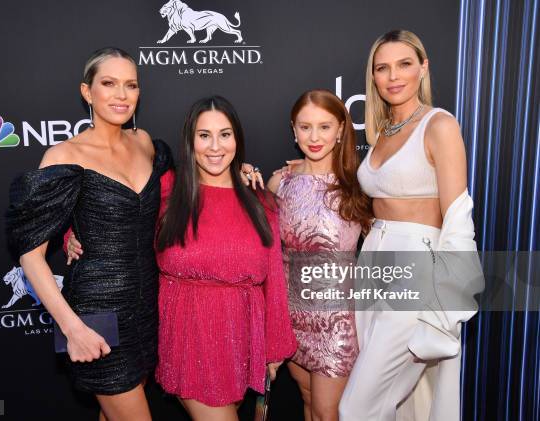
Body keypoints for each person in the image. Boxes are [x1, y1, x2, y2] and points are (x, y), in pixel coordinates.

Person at [6, 47, 173, 421]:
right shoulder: (65, 155)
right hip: (96, 316)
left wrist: (239, 170)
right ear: (87, 92)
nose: (121, 94)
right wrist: (72, 329)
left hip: (147, 308)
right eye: (109, 84)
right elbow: (30, 256)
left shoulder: (145, 142)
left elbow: (178, 193)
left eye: (130, 85)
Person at [338, 30, 482, 421]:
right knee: (399, 404)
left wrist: (449, 304)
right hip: (374, 263)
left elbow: (457, 215)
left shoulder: (439, 125)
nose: (393, 76)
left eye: (404, 64)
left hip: (416, 268)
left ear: (423, 67)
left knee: (356, 407)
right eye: (382, 68)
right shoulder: (381, 132)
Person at [154, 95, 297, 421]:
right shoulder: (167, 190)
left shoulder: (261, 201)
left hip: (242, 340)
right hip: (189, 338)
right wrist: (74, 232)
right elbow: (116, 214)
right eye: (204, 135)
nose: (215, 146)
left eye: (225, 134)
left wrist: (273, 348)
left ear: (238, 139)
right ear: (190, 141)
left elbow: (273, 277)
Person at [266, 89, 372, 421]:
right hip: (292, 317)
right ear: (293, 129)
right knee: (308, 401)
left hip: (337, 322)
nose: (314, 137)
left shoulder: (359, 183)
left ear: (341, 129)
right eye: (305, 127)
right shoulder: (279, 183)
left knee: (329, 412)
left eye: (324, 127)